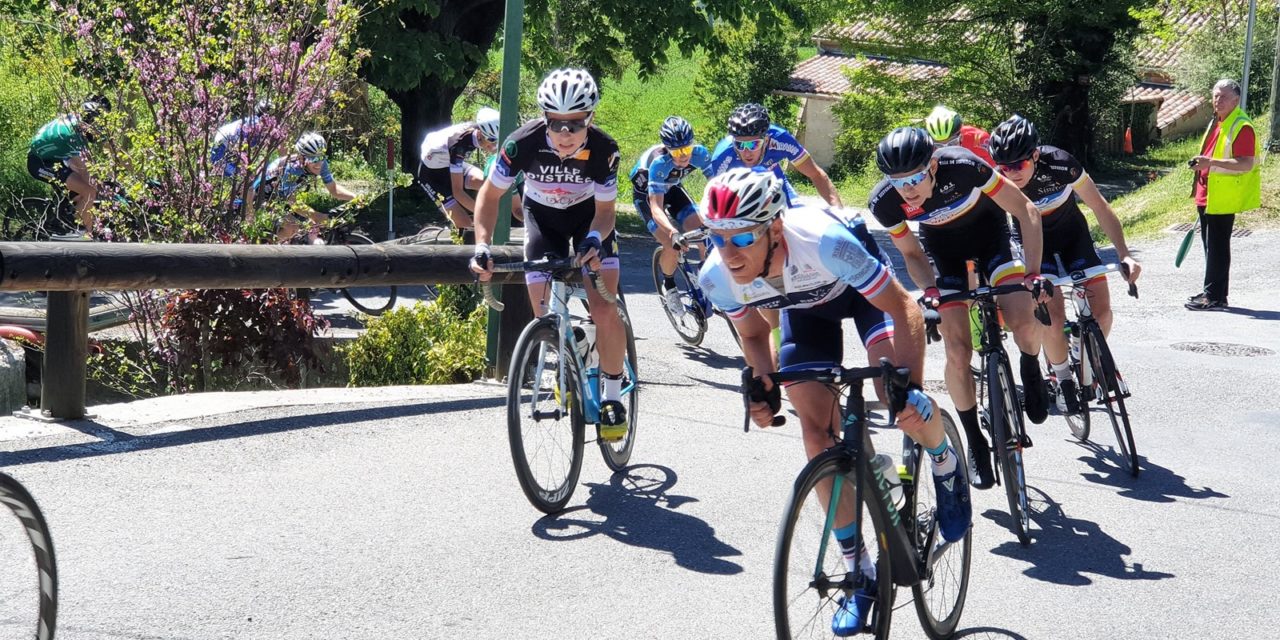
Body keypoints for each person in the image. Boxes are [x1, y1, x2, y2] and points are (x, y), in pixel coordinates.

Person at [696, 167, 969, 635]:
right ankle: (860, 572)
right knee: (815, 433)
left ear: (774, 229)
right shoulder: (717, 276)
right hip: (805, 314)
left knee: (893, 395)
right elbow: (755, 333)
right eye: (717, 237)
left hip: (862, 296)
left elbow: (902, 307)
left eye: (742, 237)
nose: (729, 252)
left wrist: (911, 388)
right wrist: (761, 389)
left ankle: (945, 461)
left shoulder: (823, 241)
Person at [868, 126, 1051, 489]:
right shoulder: (885, 201)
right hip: (944, 255)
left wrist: (1032, 273)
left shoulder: (964, 165)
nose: (908, 189)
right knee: (956, 351)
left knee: (1022, 321)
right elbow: (910, 254)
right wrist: (930, 292)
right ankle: (975, 442)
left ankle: (1030, 368)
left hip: (992, 240)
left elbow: (1025, 209)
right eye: (898, 180)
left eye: (916, 177)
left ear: (933, 165)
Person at [470, 68, 630, 441]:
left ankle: (611, 397)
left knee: (604, 308)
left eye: (574, 124)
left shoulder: (605, 150)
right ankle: (566, 360)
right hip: (542, 220)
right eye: (556, 123)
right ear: (544, 119)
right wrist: (481, 245)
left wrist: (592, 239)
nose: (564, 134)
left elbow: (606, 214)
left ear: (589, 118)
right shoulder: (520, 144)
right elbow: (490, 197)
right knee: (541, 313)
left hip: (589, 220)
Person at [988, 115, 1142, 413]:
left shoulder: (1061, 163)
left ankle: (1084, 355)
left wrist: (1124, 252)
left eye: (1018, 165)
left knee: (1103, 314)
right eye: (1003, 167)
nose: (1011, 173)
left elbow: (1099, 205)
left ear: (1035, 154)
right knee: (1053, 318)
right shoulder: (1000, 182)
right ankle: (1061, 379)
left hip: (1073, 235)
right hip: (1035, 245)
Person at [1186, 78, 1261, 311]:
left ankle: (1215, 297)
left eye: (1224, 97)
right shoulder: (1218, 121)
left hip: (1223, 196)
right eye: (1215, 95)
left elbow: (1246, 164)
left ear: (1236, 100)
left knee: (1217, 247)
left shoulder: (1241, 125)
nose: (1218, 100)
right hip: (1207, 193)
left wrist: (1210, 162)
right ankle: (1214, 293)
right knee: (1211, 246)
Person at [629, 115, 712, 314]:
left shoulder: (700, 154)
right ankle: (669, 285)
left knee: (704, 232)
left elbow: (717, 185)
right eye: (677, 151)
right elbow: (656, 207)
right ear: (667, 149)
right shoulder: (658, 164)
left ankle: (706, 276)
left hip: (672, 189)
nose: (684, 156)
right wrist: (673, 232)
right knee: (671, 243)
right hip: (647, 197)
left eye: (687, 149)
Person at [708, 103, 843, 208]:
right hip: (739, 190)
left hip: (773, 179)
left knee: (795, 221)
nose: (746, 152)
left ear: (767, 140)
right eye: (740, 145)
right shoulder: (722, 156)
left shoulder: (780, 139)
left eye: (753, 145)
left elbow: (816, 175)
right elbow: (716, 199)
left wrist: (842, 216)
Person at [28, 96, 110, 236]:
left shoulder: (77, 121)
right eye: (98, 125)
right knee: (89, 191)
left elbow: (105, 150)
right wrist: (104, 188)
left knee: (83, 190)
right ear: (90, 121)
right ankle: (84, 233)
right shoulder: (72, 135)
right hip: (39, 162)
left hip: (56, 156)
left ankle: (69, 216)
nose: (100, 129)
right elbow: (86, 172)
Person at [254, 132, 356, 241]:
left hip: (280, 198)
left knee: (310, 227)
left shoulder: (321, 163)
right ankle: (267, 252)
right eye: (313, 160)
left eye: (321, 157)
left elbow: (334, 189)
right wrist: (317, 216)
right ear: (301, 158)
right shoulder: (291, 169)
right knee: (292, 227)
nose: (318, 164)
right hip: (260, 199)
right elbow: (293, 202)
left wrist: (355, 197)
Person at [419, 107, 501, 230]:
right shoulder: (459, 146)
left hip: (448, 164)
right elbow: (458, 192)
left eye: (497, 140)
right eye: (491, 140)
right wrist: (484, 214)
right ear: (480, 133)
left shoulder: (478, 130)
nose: (494, 145)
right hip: (432, 177)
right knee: (466, 225)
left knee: (487, 182)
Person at [924, 105, 994, 166]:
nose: (947, 150)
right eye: (939, 145)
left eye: (952, 143)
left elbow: (997, 171)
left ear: (961, 136)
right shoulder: (926, 147)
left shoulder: (979, 139)